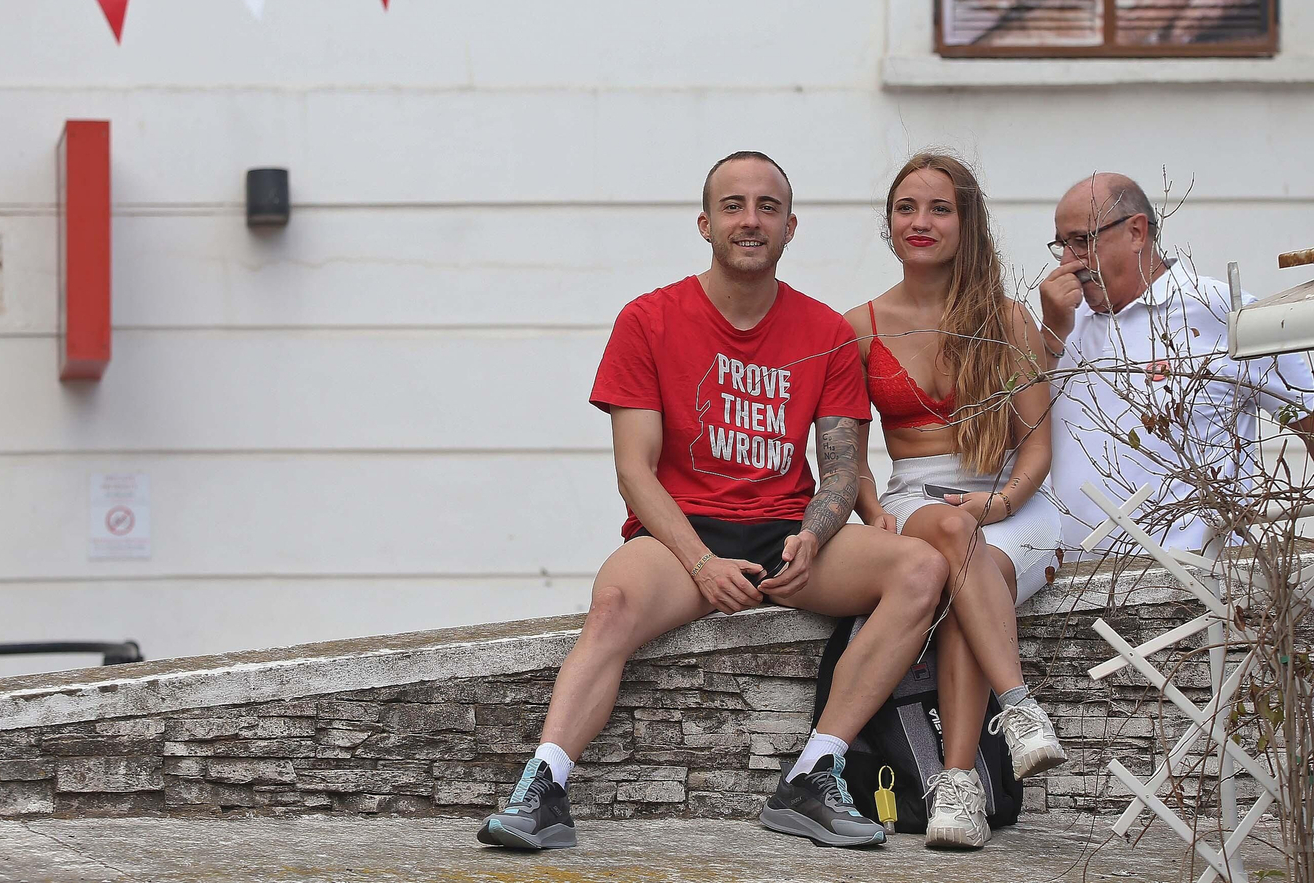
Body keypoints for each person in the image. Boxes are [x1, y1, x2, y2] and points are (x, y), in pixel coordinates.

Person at [475, 151, 950, 853]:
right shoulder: (649, 319)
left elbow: (841, 470)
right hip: (681, 537)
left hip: (790, 534)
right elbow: (636, 472)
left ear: (791, 226)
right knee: (614, 602)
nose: (750, 220)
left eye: (766, 207)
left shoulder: (823, 332)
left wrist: (816, 536)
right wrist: (700, 564)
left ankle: (813, 774)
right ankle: (543, 787)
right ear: (705, 223)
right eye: (734, 206)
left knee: (920, 569)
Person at [844, 151, 1067, 851]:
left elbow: (1035, 446)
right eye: (907, 207)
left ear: (966, 223)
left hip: (1012, 499)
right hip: (919, 496)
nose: (921, 221)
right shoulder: (859, 324)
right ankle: (1020, 707)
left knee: (968, 576)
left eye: (940, 208)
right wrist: (872, 510)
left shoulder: (1005, 318)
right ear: (889, 223)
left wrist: (997, 505)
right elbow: (846, 451)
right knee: (946, 529)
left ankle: (959, 784)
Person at [1041, 173, 1314, 554]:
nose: (1069, 262)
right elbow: (1018, 437)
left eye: (1083, 241)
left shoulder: (1219, 310)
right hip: (1069, 584)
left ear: (1137, 232)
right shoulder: (1062, 323)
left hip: (1198, 580)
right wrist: (1050, 335)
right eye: (1062, 245)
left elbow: (1308, 417)